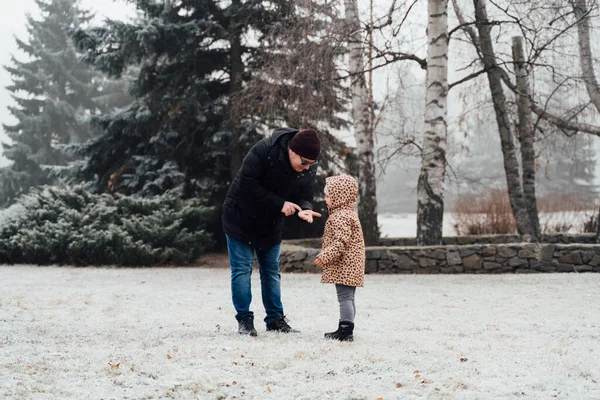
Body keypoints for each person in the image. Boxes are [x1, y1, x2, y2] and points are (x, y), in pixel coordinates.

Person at [222, 127, 322, 336]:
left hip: (270, 224)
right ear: (292, 151)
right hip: (240, 218)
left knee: (271, 273)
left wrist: (306, 209)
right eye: (304, 163)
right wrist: (279, 204)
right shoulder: (262, 151)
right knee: (242, 270)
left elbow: (306, 193)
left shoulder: (307, 166)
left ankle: (275, 319)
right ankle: (245, 321)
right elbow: (247, 185)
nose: (306, 168)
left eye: (310, 165)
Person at [314, 175, 365, 342]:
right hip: (352, 264)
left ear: (339, 196)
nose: (325, 199)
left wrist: (324, 256)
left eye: (328, 196)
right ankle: (346, 327)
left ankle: (345, 331)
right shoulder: (349, 213)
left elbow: (340, 242)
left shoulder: (340, 216)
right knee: (348, 298)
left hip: (346, 265)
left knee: (344, 298)